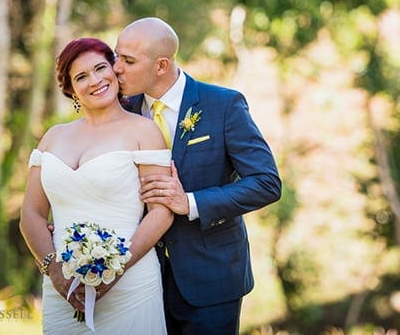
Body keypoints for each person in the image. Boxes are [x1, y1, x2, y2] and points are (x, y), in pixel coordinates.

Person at [113, 17, 282, 335]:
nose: (116, 68)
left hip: (211, 278)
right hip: (141, 280)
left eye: (128, 60)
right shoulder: (121, 110)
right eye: (116, 56)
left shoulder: (224, 105)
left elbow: (266, 183)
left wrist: (189, 202)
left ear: (161, 65)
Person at [19, 37, 173, 334]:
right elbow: (31, 214)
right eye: (81, 76)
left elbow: (161, 212)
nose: (95, 80)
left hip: (130, 285)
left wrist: (116, 269)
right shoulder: (53, 136)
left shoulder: (144, 130)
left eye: (101, 68)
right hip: (62, 288)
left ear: (115, 70)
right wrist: (54, 271)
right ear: (70, 89)